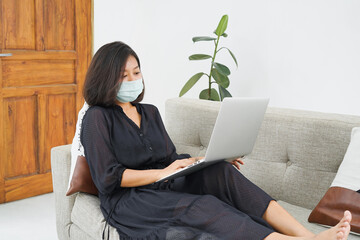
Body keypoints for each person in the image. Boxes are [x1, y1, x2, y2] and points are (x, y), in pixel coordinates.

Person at [80, 41, 352, 240]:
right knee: (204, 206)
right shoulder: (97, 117)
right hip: (129, 201)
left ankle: (306, 235)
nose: (132, 80)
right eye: (123, 76)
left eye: (136, 73)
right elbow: (107, 178)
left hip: (163, 184)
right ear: (106, 80)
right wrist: (160, 173)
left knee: (221, 172)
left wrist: (206, 159)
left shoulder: (149, 112)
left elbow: (170, 159)